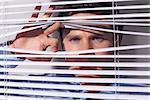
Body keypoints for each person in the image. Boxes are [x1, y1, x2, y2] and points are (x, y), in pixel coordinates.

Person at [1, 2, 148, 100]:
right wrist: (13, 51)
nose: (86, 52)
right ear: (62, 44)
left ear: (117, 41)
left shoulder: (141, 95)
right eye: (75, 39)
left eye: (97, 38)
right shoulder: (36, 92)